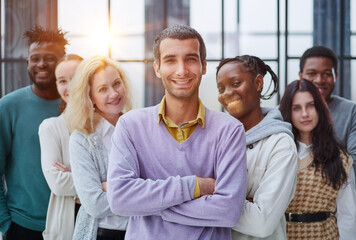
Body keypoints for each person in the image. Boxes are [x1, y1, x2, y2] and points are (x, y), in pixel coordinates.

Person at [106, 24, 247, 240]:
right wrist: (195, 185)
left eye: (190, 59)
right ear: (157, 68)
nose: (181, 70)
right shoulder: (130, 126)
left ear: (204, 66)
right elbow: (119, 200)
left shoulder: (230, 131)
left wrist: (151, 205)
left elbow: (228, 212)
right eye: (171, 60)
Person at [216, 55, 298, 240]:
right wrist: (238, 202)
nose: (227, 93)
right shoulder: (216, 139)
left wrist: (208, 196)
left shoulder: (280, 144)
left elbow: (261, 223)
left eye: (236, 83)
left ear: (258, 82)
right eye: (221, 88)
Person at [0, 25, 67, 240]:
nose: (41, 64)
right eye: (35, 58)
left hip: (70, 221)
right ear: (28, 62)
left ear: (62, 62)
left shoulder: (79, 108)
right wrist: (5, 223)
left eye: (49, 57)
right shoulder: (8, 107)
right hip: (22, 225)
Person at [279, 79, 356, 239]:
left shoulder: (339, 157)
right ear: (288, 111)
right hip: (282, 234)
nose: (305, 114)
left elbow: (347, 214)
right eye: (297, 108)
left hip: (325, 234)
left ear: (319, 108)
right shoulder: (277, 153)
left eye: (310, 105)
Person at [64, 56, 132, 240]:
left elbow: (158, 182)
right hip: (102, 234)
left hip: (143, 232)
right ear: (90, 97)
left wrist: (113, 187)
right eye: (103, 89)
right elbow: (94, 204)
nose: (114, 93)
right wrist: (140, 189)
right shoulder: (81, 139)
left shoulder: (139, 127)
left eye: (117, 83)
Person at [38, 54, 83, 240]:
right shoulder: (50, 127)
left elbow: (121, 182)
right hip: (67, 224)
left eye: (76, 78)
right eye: (62, 81)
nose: (70, 87)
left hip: (109, 225)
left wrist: (73, 177)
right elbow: (58, 184)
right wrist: (100, 184)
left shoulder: (111, 124)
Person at [299, 46, 356, 177]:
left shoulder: (352, 112)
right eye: (311, 74)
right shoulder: (284, 111)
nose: (319, 80)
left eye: (327, 74)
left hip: (339, 193)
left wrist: (303, 169)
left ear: (336, 76)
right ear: (300, 76)